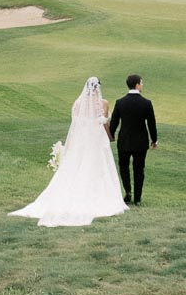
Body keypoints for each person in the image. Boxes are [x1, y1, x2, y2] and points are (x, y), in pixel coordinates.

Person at [9, 77, 128, 227]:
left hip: (83, 139)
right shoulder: (103, 103)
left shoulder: (78, 103)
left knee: (79, 165)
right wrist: (110, 136)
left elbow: (76, 124)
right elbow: (104, 123)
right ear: (98, 88)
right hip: (97, 139)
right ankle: (101, 196)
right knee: (99, 165)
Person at [108, 73, 158, 206]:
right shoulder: (146, 103)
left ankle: (128, 192)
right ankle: (137, 198)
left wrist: (110, 136)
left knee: (123, 167)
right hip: (141, 142)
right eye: (141, 83)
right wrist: (154, 140)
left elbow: (114, 122)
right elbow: (151, 123)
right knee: (139, 169)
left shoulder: (120, 102)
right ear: (137, 85)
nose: (143, 85)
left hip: (124, 141)